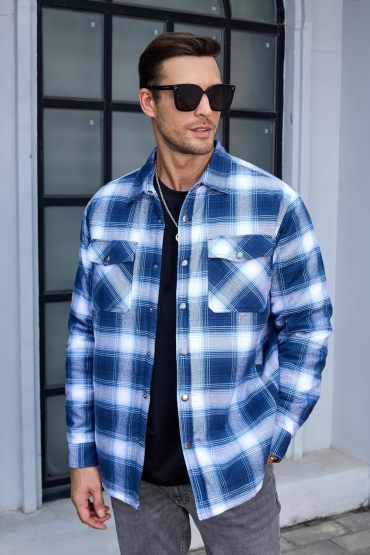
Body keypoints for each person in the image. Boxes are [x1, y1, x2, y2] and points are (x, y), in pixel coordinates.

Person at [65, 32, 333, 555]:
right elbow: (83, 336)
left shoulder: (273, 205)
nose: (205, 109)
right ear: (149, 101)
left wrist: (277, 432)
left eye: (217, 94)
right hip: (134, 475)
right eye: (187, 96)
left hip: (234, 466)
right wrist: (83, 456)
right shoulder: (106, 210)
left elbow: (308, 326)